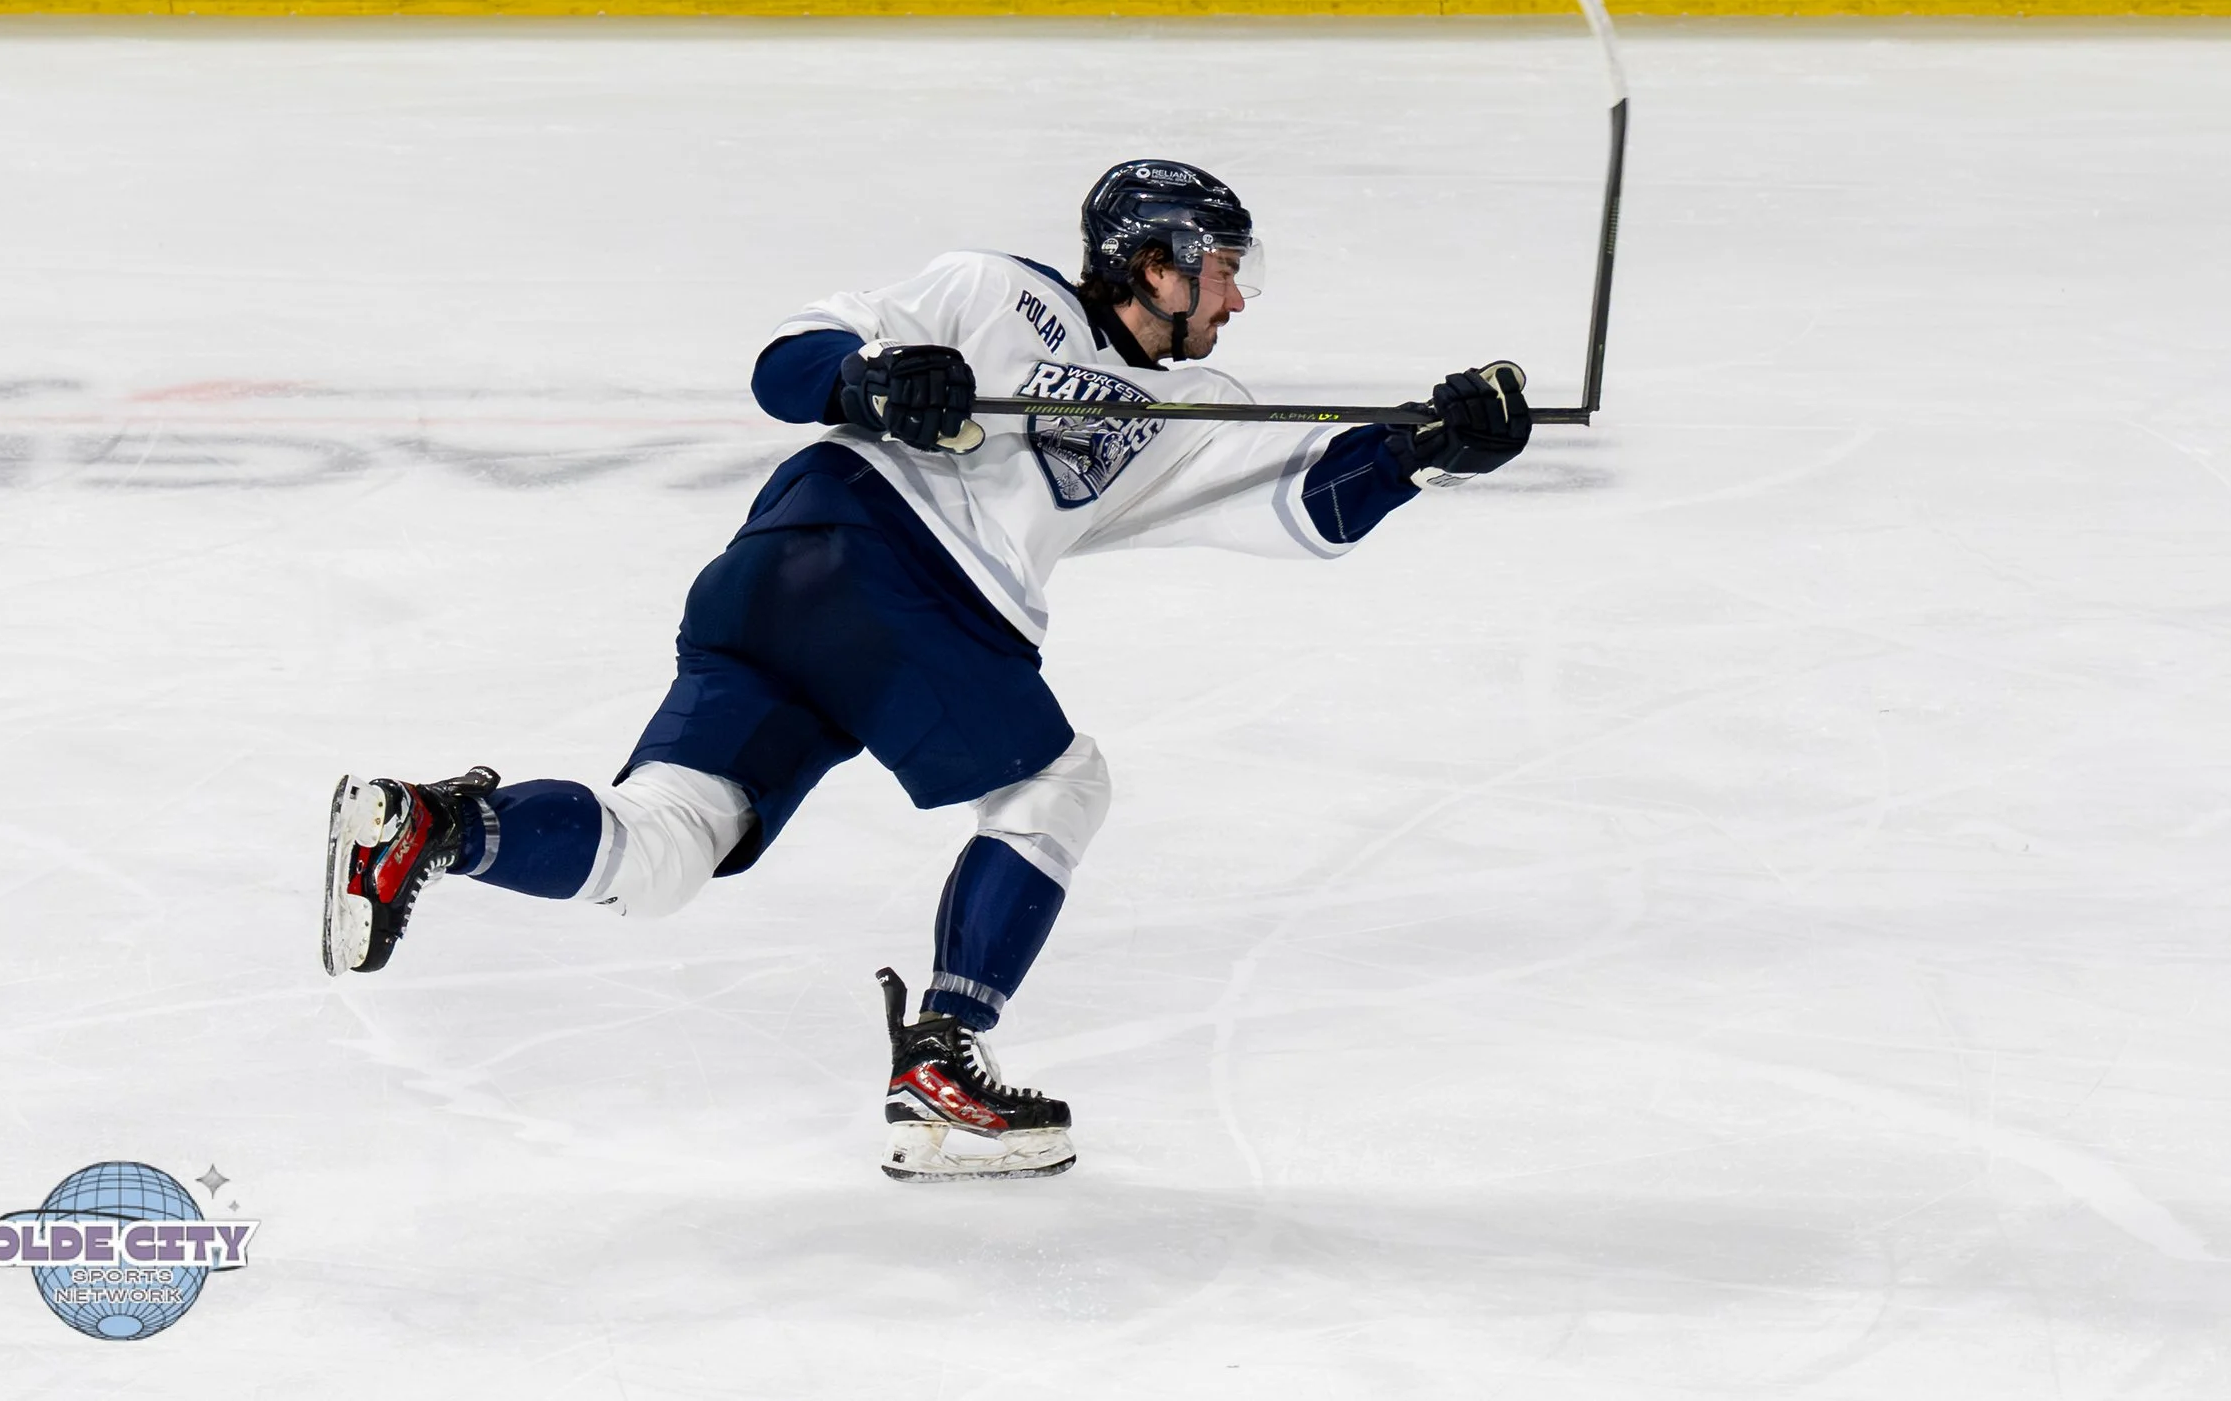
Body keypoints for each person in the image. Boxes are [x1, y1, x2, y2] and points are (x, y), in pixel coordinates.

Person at [320, 161, 1533, 1181]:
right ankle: (941, 1067)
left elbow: (1302, 507)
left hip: (779, 583)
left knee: (666, 848)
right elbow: (787, 359)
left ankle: (432, 829)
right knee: (1060, 787)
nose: (1237, 296)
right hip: (887, 568)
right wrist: (868, 378)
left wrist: (1424, 450)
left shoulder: (1195, 406)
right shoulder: (990, 291)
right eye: (1223, 268)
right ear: (1156, 260)